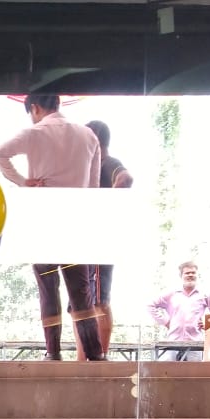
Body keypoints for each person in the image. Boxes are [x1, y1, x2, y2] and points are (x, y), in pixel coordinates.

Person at [0, 94, 105, 361]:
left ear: (35, 108)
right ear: (58, 104)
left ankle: (53, 352)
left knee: (48, 288)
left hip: (43, 220)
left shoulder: (34, 133)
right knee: (81, 292)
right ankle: (95, 354)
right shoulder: (88, 136)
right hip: (75, 222)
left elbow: (0, 154)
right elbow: (93, 188)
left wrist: (23, 181)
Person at [78, 120, 133, 361]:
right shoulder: (86, 167)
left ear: (95, 138)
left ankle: (100, 356)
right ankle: (83, 360)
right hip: (83, 243)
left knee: (99, 300)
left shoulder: (108, 163)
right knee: (80, 304)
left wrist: (104, 207)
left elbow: (126, 179)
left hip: (101, 243)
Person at [148, 261, 210, 361]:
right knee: (167, 369)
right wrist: (165, 321)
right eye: (187, 273)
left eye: (193, 273)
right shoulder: (172, 293)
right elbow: (150, 305)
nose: (190, 275)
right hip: (173, 342)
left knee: (194, 370)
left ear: (197, 275)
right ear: (181, 276)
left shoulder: (205, 294)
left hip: (195, 344)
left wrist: (208, 324)